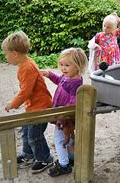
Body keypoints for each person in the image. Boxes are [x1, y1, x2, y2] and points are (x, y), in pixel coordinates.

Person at [2, 31, 54, 174]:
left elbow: (26, 92)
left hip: (40, 107)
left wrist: (13, 104)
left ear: (14, 53)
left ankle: (45, 158)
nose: (5, 58)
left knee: (35, 135)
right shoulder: (25, 64)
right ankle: (28, 154)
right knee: (26, 131)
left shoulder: (27, 68)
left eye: (6, 54)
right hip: (33, 106)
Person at [39, 47, 87, 177]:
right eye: (61, 65)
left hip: (65, 119)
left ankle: (63, 165)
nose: (63, 68)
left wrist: (62, 119)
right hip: (62, 116)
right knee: (69, 140)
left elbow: (72, 104)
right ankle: (71, 159)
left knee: (60, 141)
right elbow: (59, 80)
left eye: (67, 65)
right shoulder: (67, 77)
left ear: (78, 66)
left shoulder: (76, 83)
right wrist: (50, 75)